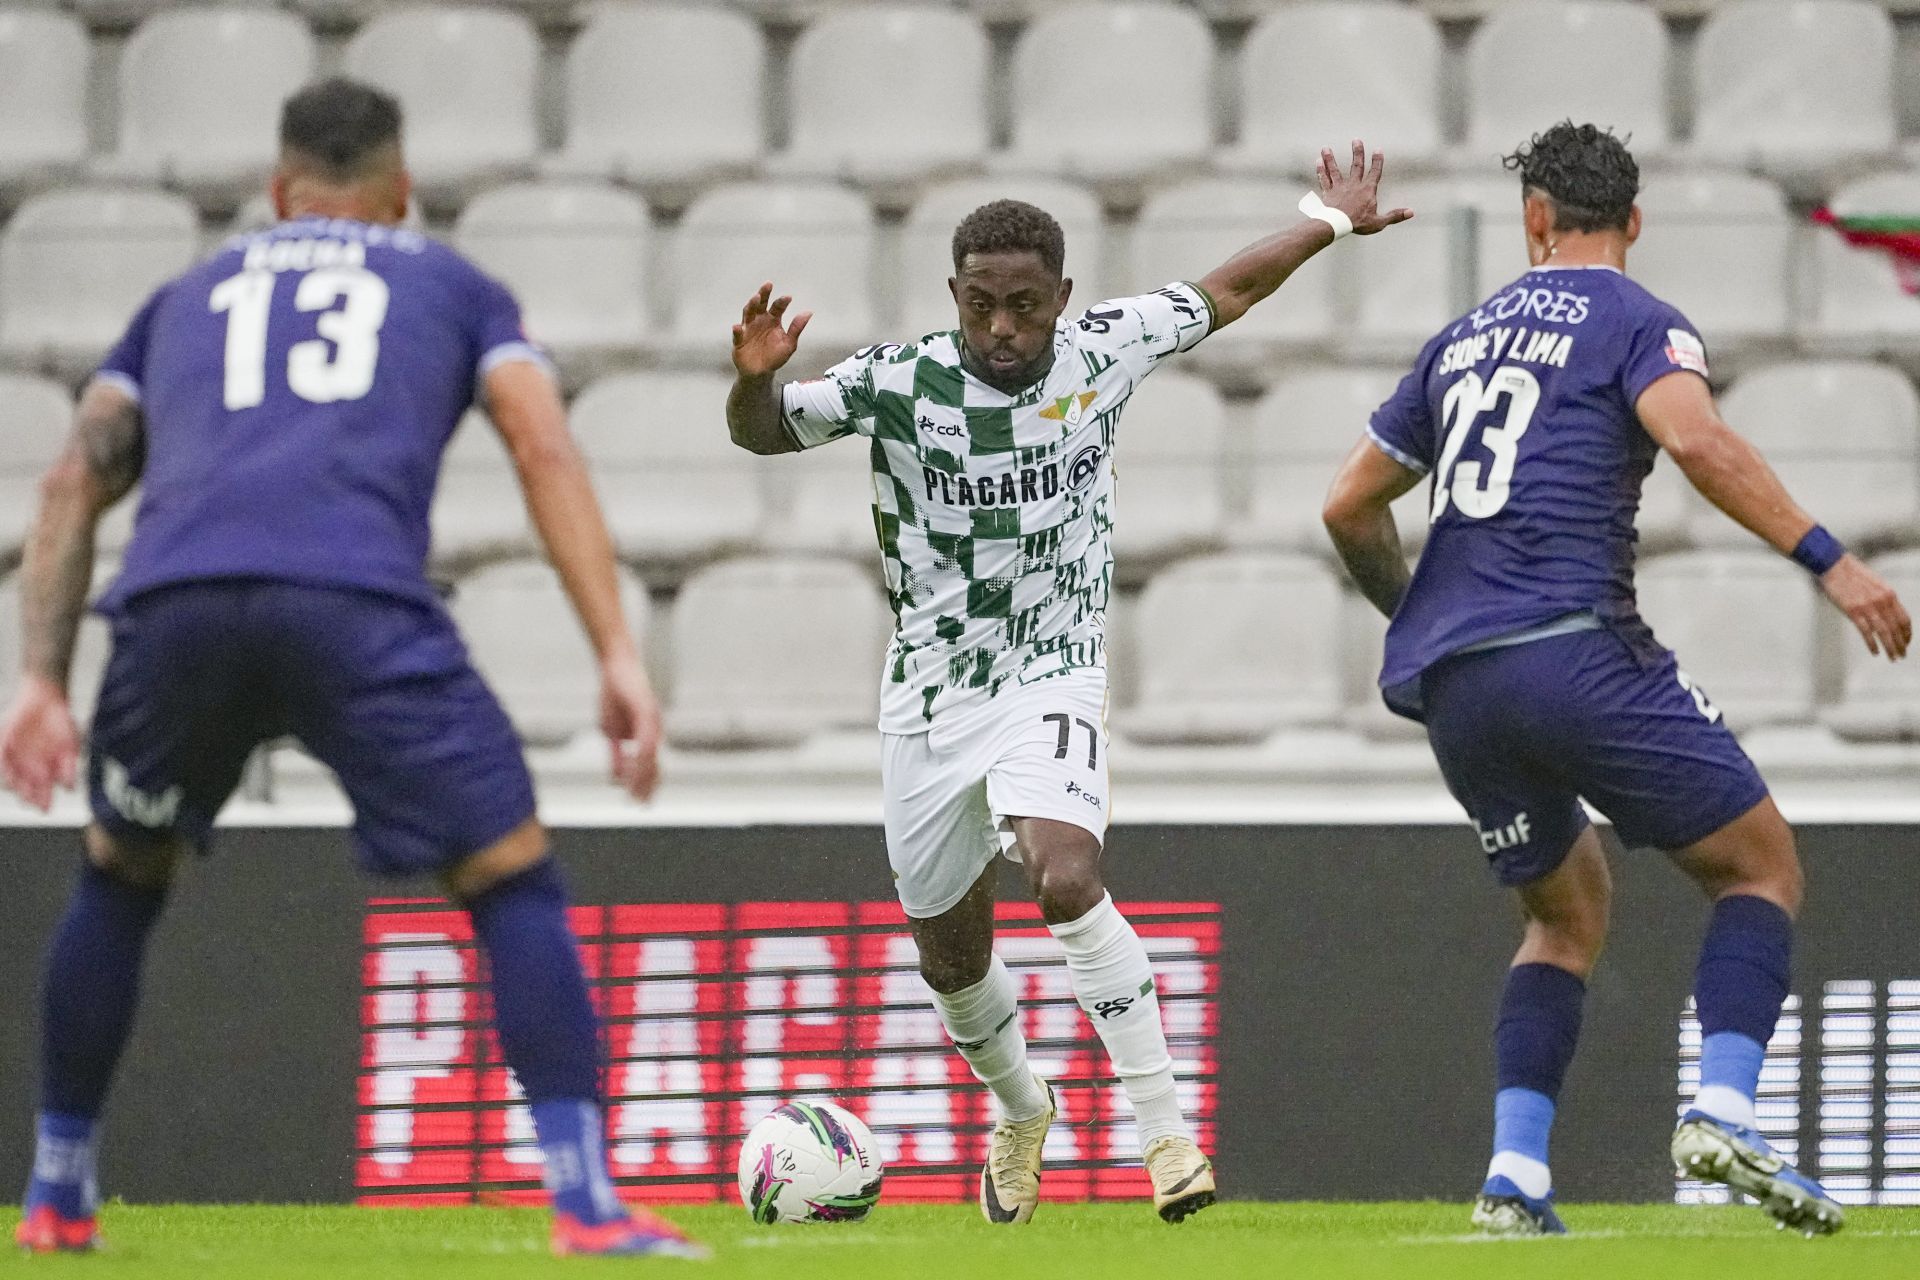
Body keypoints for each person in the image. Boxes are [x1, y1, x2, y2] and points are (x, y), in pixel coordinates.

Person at [0, 79, 702, 1259]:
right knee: (509, 875)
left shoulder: (182, 297)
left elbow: (76, 478)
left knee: (120, 871)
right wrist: (618, 651)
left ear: (278, 192)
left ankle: (60, 1188)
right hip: (356, 601)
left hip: (177, 605)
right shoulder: (449, 283)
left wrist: (41, 679)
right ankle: (584, 1201)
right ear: (402, 193)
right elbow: (539, 439)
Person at [726, 143, 1411, 1224]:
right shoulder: (896, 382)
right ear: (955, 295)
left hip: (1051, 670)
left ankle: (1167, 1136)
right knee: (952, 960)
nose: (1005, 329)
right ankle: (1023, 1105)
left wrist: (1326, 224)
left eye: (1028, 307)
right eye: (985, 305)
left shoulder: (1105, 349)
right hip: (928, 697)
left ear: (1064, 300)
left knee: (1065, 873)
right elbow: (765, 435)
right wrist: (755, 380)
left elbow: (1227, 289)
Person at [1321, 121, 1912, 1238]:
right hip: (1574, 643)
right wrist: (1833, 565)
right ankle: (1726, 1108)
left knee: (1564, 913)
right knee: (1760, 868)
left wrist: (1420, 611)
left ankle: (1515, 1177)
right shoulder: (1641, 320)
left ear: (1534, 222)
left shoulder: (1460, 338)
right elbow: (1695, 443)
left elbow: (1347, 503)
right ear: (1632, 222)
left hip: (1459, 683)